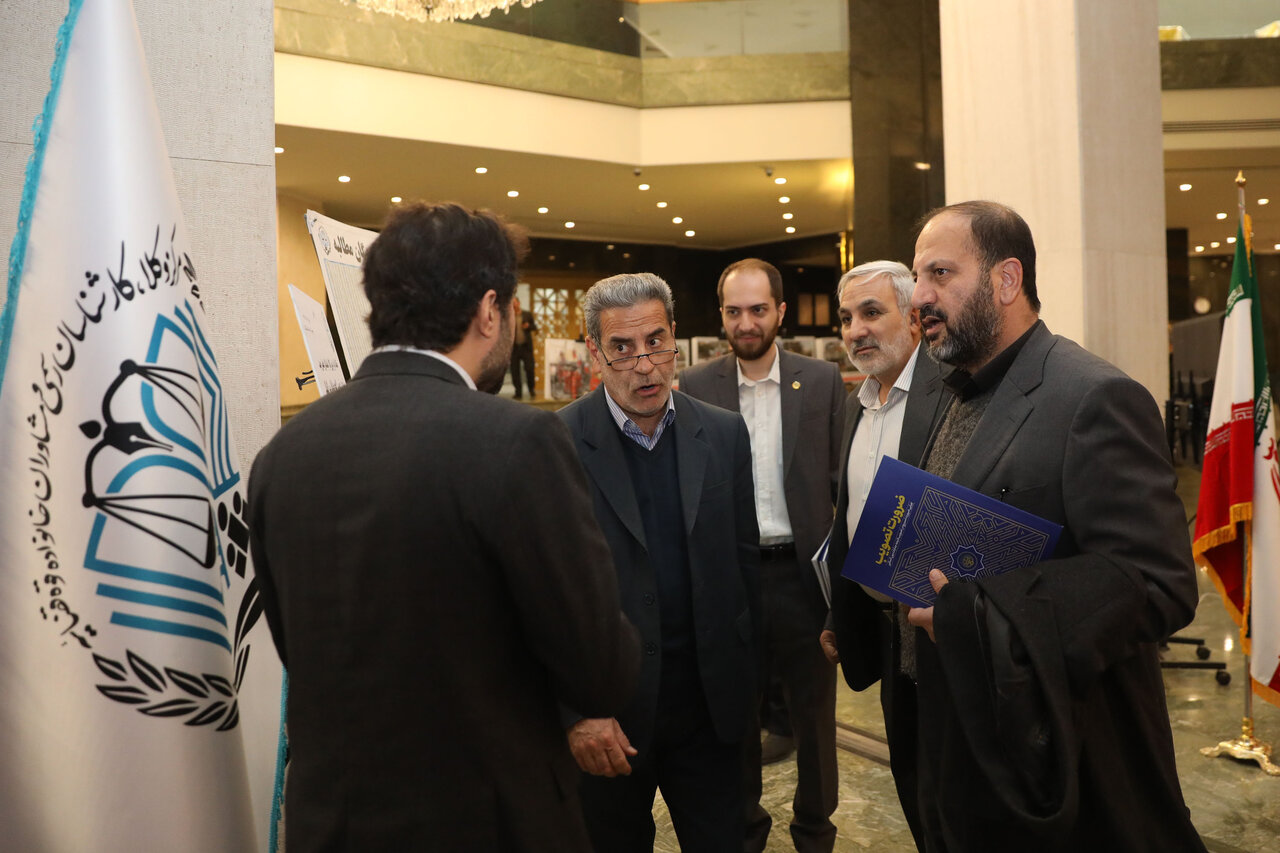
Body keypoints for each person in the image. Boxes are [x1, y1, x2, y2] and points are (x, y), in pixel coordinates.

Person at [247, 202, 640, 851]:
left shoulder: (282, 455)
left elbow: (297, 648)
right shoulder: (516, 442)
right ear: (489, 310)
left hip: (333, 826)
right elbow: (599, 668)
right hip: (487, 824)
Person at [905, 200, 1205, 850]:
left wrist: (982, 614)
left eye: (940, 274)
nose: (920, 296)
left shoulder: (1094, 396)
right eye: (917, 277)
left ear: (1006, 279)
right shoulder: (947, 391)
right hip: (964, 740)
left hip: (1066, 762)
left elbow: (1160, 583)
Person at [558, 272, 761, 853]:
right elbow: (538, 597)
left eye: (655, 342)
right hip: (609, 720)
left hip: (709, 712)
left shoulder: (723, 433)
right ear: (594, 353)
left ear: (674, 336)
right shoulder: (555, 443)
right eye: (622, 348)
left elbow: (746, 568)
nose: (644, 365)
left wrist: (751, 692)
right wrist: (574, 715)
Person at [678, 258, 844, 853]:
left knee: (815, 722)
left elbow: (840, 484)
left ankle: (815, 833)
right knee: (735, 717)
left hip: (803, 580)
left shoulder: (821, 381)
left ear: (780, 312)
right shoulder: (696, 385)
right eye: (734, 311)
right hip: (733, 580)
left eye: (757, 309)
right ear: (721, 315)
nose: (745, 322)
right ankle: (745, 833)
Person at [821, 260, 948, 848]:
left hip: (943, 633)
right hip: (886, 633)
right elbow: (850, 518)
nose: (856, 331)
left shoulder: (950, 395)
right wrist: (839, 612)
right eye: (847, 318)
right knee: (912, 784)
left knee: (952, 796)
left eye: (872, 312)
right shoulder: (857, 404)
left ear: (915, 319)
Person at [511, 295, 538, 398]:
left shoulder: (527, 314)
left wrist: (528, 326)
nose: (514, 305)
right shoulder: (509, 316)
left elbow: (534, 327)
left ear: (519, 303)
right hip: (514, 348)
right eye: (512, 303)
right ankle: (518, 392)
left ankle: (531, 390)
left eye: (515, 302)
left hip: (526, 347)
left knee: (529, 369)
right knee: (515, 371)